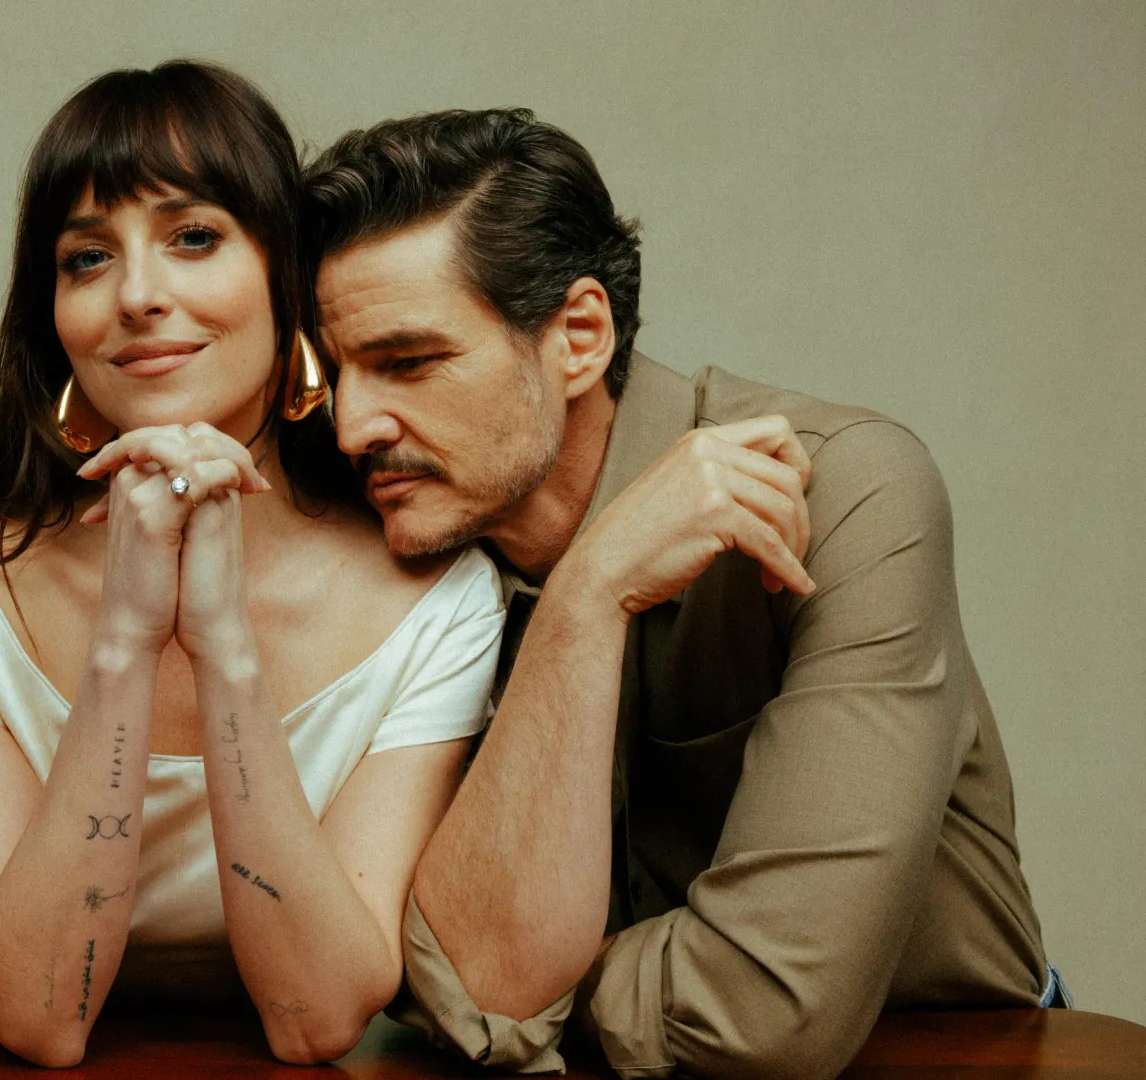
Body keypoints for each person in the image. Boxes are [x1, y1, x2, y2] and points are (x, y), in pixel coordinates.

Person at [302, 108, 1052, 1078]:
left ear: (579, 337)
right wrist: (590, 591)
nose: (352, 426)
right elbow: (426, 980)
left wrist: (512, 991)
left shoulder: (846, 490)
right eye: (335, 373)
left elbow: (766, 1011)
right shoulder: (401, 566)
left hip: (947, 1060)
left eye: (407, 363)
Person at [0, 61, 506, 1067]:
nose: (137, 296)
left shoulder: (436, 601)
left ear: (286, 275)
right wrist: (124, 640)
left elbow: (317, 1019)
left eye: (194, 238)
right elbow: (39, 1019)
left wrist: (222, 649)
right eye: (86, 258)